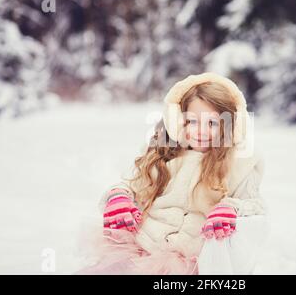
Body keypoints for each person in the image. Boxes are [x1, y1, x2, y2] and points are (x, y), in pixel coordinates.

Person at [76, 72, 266, 275]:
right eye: (192, 121)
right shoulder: (163, 154)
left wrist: (232, 208)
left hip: (190, 261)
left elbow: (255, 206)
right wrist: (119, 196)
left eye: (212, 123)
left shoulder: (239, 163)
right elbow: (132, 184)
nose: (200, 131)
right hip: (141, 247)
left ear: (230, 126)